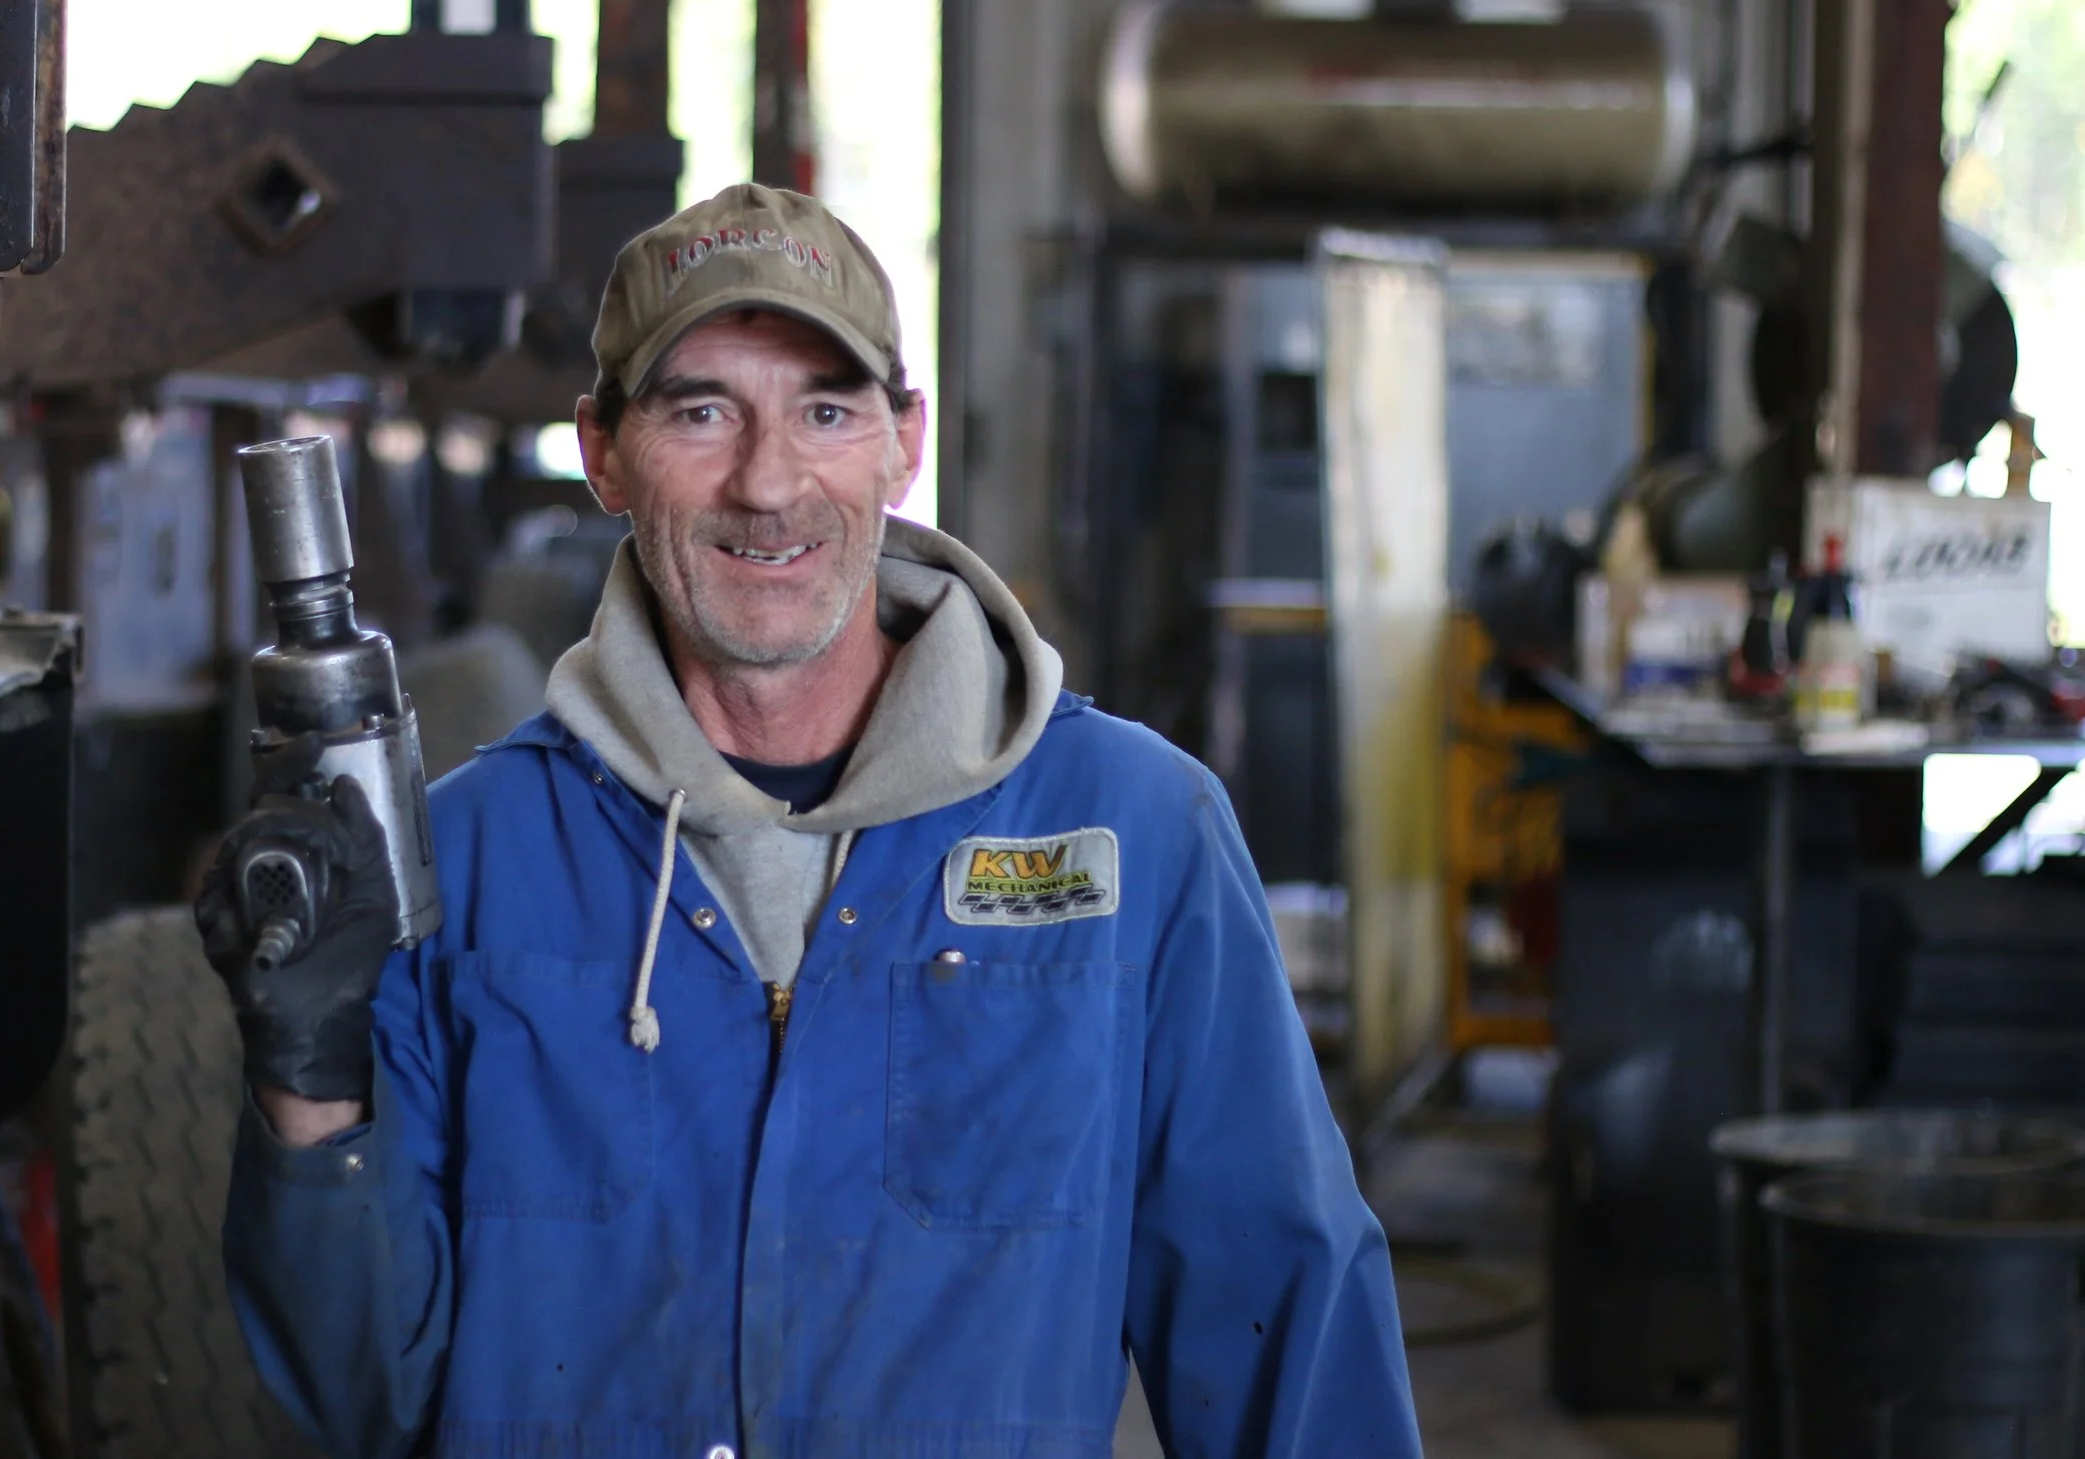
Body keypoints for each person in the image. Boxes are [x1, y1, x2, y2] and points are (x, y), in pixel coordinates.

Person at [198, 183, 1421, 1459]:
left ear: (904, 440)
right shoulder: (471, 859)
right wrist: (309, 1081)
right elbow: (366, 1400)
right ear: (602, 451)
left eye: (825, 409)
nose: (767, 481)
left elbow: (1283, 1310)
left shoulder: (1133, 832)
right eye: (700, 411)